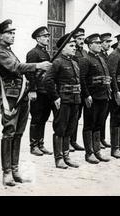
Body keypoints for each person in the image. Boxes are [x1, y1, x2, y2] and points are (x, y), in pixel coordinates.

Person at [0, 20, 52, 186]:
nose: (12, 36)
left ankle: (15, 170)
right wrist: (38, 65)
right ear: (1, 35)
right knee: (9, 133)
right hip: (11, 98)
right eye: (9, 33)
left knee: (18, 133)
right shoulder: (0, 53)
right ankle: (6, 173)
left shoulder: (9, 51)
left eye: (13, 33)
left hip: (21, 96)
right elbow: (16, 68)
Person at [43, 33, 81, 169]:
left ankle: (66, 156)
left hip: (75, 99)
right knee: (60, 128)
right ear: (63, 48)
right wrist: (55, 97)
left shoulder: (75, 63)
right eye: (71, 46)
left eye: (75, 46)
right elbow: (48, 80)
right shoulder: (58, 62)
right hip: (63, 100)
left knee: (70, 128)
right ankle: (58, 158)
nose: (74, 48)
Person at [79, 33, 111, 164]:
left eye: (99, 43)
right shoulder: (86, 60)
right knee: (89, 125)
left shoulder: (101, 59)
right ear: (90, 45)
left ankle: (97, 151)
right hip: (93, 98)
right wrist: (86, 95)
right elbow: (82, 79)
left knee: (99, 124)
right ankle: (89, 153)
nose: (99, 45)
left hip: (103, 96)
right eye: (96, 43)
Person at [26, 26, 55, 156]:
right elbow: (29, 73)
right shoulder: (33, 53)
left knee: (44, 117)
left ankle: (41, 144)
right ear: (38, 39)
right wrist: (32, 90)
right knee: (36, 118)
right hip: (37, 90)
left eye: (48, 36)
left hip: (46, 91)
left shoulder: (46, 53)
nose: (47, 38)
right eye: (44, 36)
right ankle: (33, 145)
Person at [70, 28, 87, 151]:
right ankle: (69, 141)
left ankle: (74, 140)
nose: (81, 41)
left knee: (78, 115)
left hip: (83, 87)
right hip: (74, 87)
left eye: (83, 39)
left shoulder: (85, 52)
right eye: (79, 39)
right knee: (72, 116)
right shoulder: (72, 53)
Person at [99, 32, 113, 148]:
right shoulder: (100, 56)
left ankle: (102, 138)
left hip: (107, 89)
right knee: (100, 116)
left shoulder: (107, 56)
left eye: (109, 42)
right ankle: (98, 139)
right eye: (106, 42)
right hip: (100, 90)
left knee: (104, 115)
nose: (108, 44)